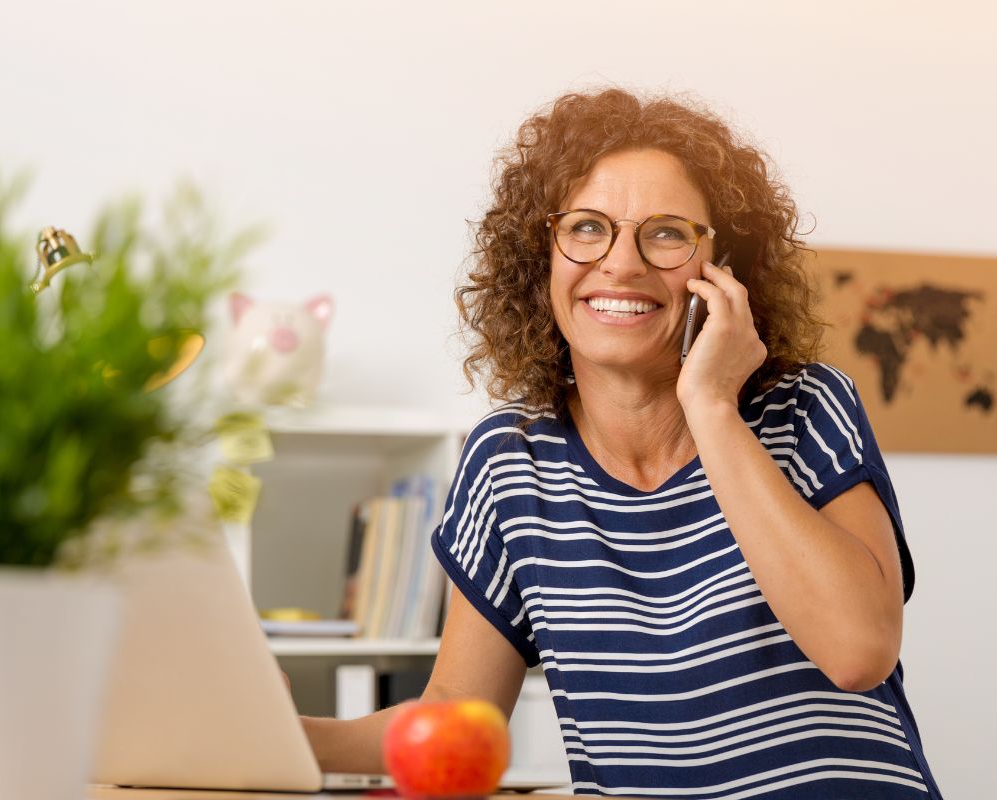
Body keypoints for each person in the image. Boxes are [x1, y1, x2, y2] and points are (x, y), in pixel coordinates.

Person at [301, 88, 943, 799]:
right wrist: (278, 737)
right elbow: (453, 719)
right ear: (539, 254)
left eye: (666, 233)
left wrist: (711, 407)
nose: (622, 263)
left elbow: (858, 652)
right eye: (586, 228)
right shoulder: (510, 460)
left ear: (721, 265)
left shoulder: (806, 407)